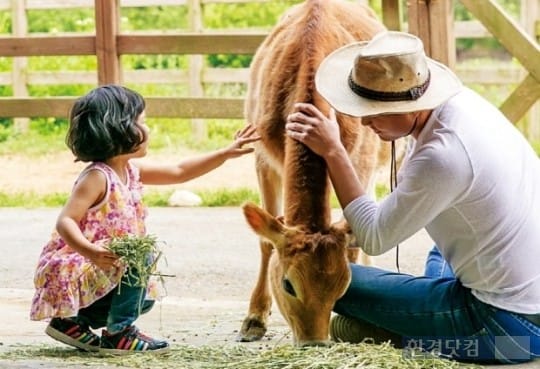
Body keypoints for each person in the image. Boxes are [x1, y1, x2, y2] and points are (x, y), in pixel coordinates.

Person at [285, 31, 540, 364]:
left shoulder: (442, 156)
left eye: (373, 111)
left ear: (410, 104)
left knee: (318, 274)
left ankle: (400, 336)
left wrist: (333, 151)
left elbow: (374, 238)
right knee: (440, 255)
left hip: (508, 331)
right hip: (523, 295)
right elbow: (400, 209)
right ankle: (417, 317)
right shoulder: (464, 105)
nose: (364, 121)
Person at [30, 84, 260, 354]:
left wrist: (225, 153)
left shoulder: (128, 170)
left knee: (144, 298)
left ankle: (71, 322)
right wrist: (89, 251)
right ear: (120, 127)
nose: (148, 129)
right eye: (142, 122)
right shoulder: (97, 177)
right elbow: (66, 220)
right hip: (80, 263)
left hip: (105, 263)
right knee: (142, 257)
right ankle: (119, 334)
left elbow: (178, 171)